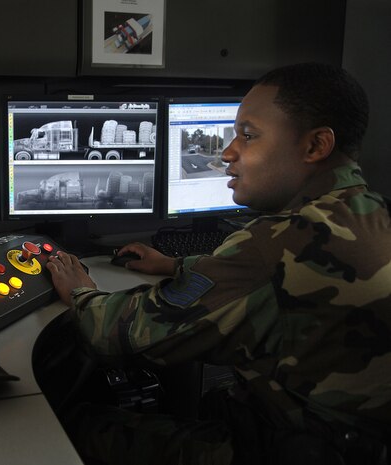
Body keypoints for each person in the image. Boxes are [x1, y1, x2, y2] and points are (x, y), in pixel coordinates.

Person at [45, 62, 391, 465]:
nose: (228, 152)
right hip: (357, 443)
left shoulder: (277, 240)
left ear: (315, 146)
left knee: (76, 426)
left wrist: (81, 290)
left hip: (295, 448)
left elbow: (117, 333)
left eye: (248, 135)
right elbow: (278, 281)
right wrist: (178, 266)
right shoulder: (373, 212)